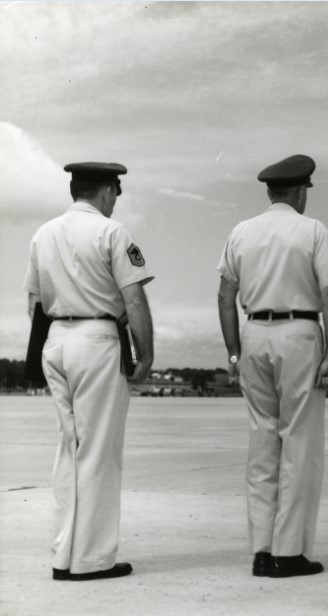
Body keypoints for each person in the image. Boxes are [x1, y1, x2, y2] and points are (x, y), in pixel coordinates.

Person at [217, 154, 328, 578]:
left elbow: (224, 295)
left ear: (271, 191)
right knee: (300, 444)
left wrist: (234, 352)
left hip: (253, 333)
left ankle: (261, 549)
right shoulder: (311, 230)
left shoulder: (241, 231)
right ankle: (289, 553)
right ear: (298, 190)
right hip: (299, 334)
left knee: (262, 444)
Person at [24, 162, 154, 581]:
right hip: (98, 340)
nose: (116, 199)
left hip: (56, 340)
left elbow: (34, 303)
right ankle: (93, 559)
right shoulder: (112, 233)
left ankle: (64, 554)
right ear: (106, 191)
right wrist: (145, 355)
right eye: (116, 191)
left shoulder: (43, 234)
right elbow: (133, 299)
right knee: (98, 451)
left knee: (69, 449)